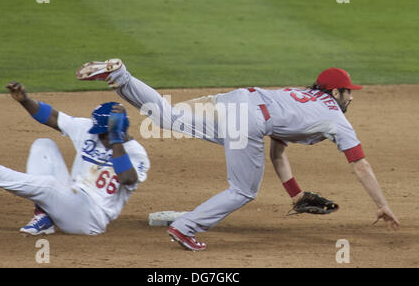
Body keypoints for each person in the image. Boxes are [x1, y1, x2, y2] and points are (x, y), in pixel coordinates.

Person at [76, 59, 400, 250]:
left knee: (166, 116)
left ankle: (120, 76)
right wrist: (382, 205)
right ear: (335, 92)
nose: (351, 98)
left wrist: (296, 193)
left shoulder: (299, 95)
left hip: (237, 100)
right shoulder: (336, 119)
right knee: (243, 189)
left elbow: (277, 150)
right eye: (348, 92)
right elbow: (360, 165)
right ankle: (185, 228)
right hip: (251, 121)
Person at [0, 82, 150, 235]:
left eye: (103, 134)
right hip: (71, 196)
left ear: (120, 130)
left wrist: (115, 139)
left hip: (90, 216)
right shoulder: (89, 130)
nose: (98, 136)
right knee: (43, 145)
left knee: (49, 184)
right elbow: (53, 117)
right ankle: (44, 215)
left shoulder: (136, 153)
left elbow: (128, 179)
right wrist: (25, 100)